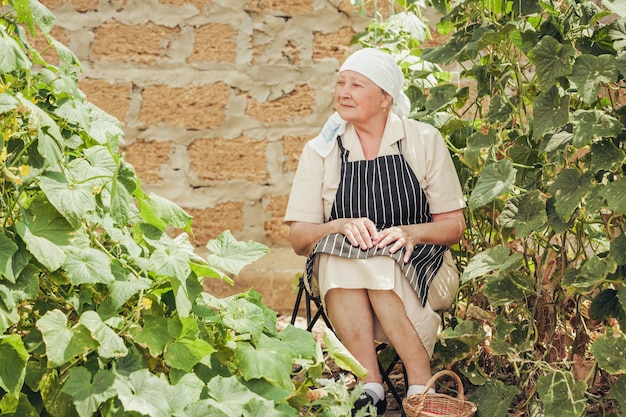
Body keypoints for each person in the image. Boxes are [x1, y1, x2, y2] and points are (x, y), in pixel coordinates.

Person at [284, 48, 466, 416]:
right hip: (339, 275)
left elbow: (453, 226)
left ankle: (392, 384)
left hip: (423, 267)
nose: (343, 92)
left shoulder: (422, 140)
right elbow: (299, 240)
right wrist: (336, 226)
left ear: (386, 98)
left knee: (376, 261)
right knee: (340, 255)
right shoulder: (321, 150)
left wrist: (411, 234)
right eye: (340, 83)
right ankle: (401, 385)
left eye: (356, 84)